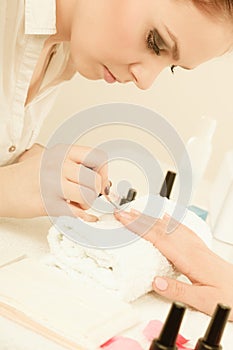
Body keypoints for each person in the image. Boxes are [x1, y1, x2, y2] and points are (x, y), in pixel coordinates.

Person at [1, 0, 233, 318]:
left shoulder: (63, 47)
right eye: (156, 41)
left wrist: (28, 159)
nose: (146, 81)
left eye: (172, 66)